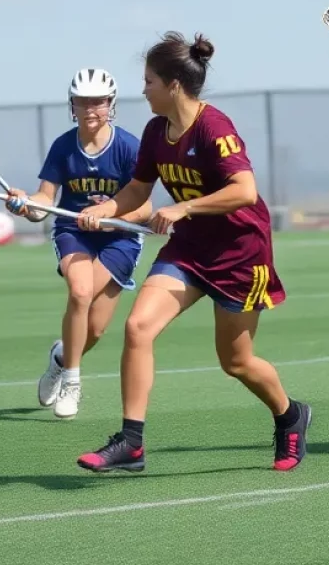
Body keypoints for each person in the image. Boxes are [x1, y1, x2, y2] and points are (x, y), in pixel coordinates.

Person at [73, 32, 311, 474]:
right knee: (139, 327)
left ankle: (289, 414)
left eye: (149, 81)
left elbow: (244, 190)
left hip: (241, 255)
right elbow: (139, 189)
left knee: (236, 363)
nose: (143, 90)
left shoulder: (213, 127)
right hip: (188, 250)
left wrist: (184, 206)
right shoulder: (154, 131)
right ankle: (132, 442)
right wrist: (106, 209)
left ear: (174, 85)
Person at [5, 68, 152, 419]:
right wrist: (26, 206)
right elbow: (44, 200)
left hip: (120, 238)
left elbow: (145, 207)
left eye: (98, 101)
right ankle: (72, 381)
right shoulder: (62, 147)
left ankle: (60, 359)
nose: (90, 109)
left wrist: (109, 216)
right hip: (74, 232)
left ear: (110, 104)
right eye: (83, 101)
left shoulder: (129, 146)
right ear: (72, 104)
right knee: (80, 292)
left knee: (96, 329)